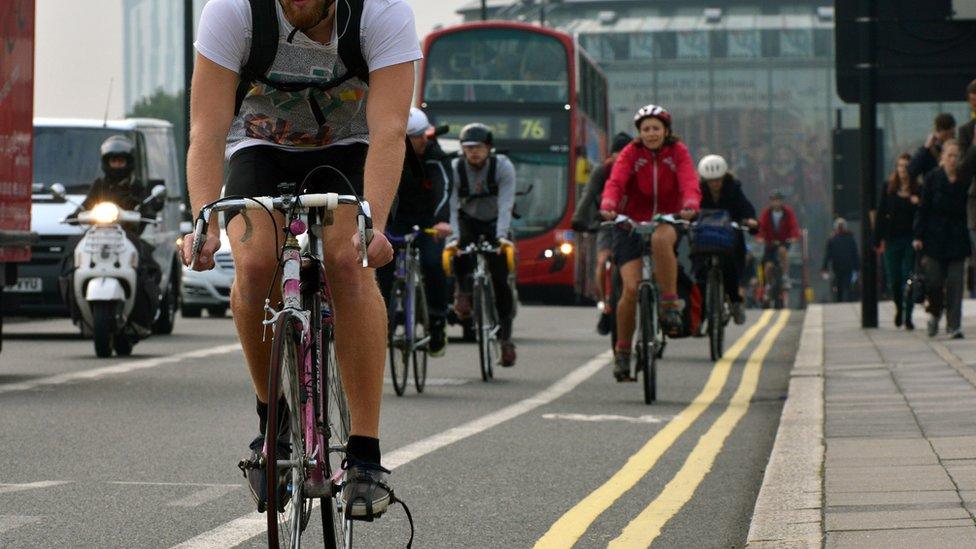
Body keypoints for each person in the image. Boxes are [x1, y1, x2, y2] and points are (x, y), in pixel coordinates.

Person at [181, 0, 421, 519]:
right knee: (252, 264)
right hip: (260, 146)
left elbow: (389, 131)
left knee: (348, 264)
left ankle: (364, 456)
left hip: (351, 147)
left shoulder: (382, 14)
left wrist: (372, 224)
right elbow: (207, 129)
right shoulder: (232, 13)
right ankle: (275, 426)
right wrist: (205, 221)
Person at [600, 104, 700, 381]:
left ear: (666, 131)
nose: (651, 134)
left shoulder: (678, 152)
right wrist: (608, 204)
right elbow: (615, 183)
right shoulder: (631, 154)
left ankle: (669, 304)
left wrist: (690, 204)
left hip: (667, 219)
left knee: (660, 239)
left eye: (656, 128)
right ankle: (622, 353)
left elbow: (689, 182)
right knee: (630, 289)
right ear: (639, 133)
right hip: (629, 222)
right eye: (646, 129)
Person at [62, 135, 162, 333]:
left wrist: (148, 211)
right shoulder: (100, 184)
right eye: (113, 161)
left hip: (127, 235)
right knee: (69, 259)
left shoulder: (136, 185)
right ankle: (79, 315)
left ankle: (142, 318)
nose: (116, 165)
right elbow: (86, 204)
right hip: (97, 234)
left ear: (128, 162)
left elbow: (147, 204)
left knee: (150, 266)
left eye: (120, 160)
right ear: (106, 162)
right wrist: (75, 215)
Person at [377, 108, 452, 356]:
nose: (421, 141)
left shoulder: (435, 155)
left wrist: (442, 221)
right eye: (415, 136)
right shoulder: (389, 153)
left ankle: (438, 320)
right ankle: (383, 321)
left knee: (433, 262)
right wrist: (379, 224)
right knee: (382, 264)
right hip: (396, 218)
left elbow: (444, 189)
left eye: (423, 135)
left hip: (429, 220)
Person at [447, 123, 518, 366]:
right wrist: (454, 238)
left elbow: (507, 203)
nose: (473, 152)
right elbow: (452, 205)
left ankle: (506, 339)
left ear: (489, 148)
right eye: (468, 148)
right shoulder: (456, 168)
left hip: (496, 222)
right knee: (458, 249)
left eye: (478, 147)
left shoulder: (503, 167)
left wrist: (501, 238)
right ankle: (463, 292)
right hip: (468, 220)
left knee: (500, 279)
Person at [571, 132, 632, 335]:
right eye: (617, 154)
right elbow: (588, 195)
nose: (620, 158)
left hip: (633, 224)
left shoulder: (639, 170)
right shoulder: (602, 172)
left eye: (625, 153)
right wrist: (579, 218)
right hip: (606, 222)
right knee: (603, 261)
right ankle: (605, 302)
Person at [914, 140, 970, 339]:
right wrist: (918, 235)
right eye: (949, 155)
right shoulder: (932, 178)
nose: (953, 160)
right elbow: (924, 208)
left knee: (955, 283)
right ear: (942, 157)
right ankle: (935, 314)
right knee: (935, 282)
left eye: (956, 156)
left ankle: (954, 324)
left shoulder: (964, 180)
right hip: (935, 237)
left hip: (957, 238)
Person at [693, 154, 758, 325]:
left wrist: (750, 220)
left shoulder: (734, 189)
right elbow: (689, 206)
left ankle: (735, 302)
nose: (714, 184)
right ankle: (699, 315)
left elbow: (746, 208)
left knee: (731, 270)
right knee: (699, 272)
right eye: (710, 181)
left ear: (724, 177)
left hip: (729, 240)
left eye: (718, 180)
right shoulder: (697, 191)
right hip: (704, 240)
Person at [875, 153, 919, 329]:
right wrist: (877, 238)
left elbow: (923, 214)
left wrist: (918, 202)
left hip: (910, 239)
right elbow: (880, 213)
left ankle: (908, 315)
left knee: (907, 277)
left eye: (906, 166)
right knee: (894, 278)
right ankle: (898, 308)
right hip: (892, 239)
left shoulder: (918, 189)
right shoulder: (888, 188)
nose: (902, 170)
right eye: (900, 166)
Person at [756, 191, 801, 291]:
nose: (776, 202)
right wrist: (760, 237)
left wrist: (794, 237)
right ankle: (768, 284)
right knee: (768, 266)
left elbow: (793, 225)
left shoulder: (788, 212)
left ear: (781, 201)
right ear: (771, 202)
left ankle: (785, 275)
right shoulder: (766, 213)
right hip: (770, 243)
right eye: (774, 200)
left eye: (778, 200)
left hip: (784, 241)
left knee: (782, 251)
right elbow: (761, 226)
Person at [821, 218, 860, 303]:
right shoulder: (851, 239)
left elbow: (828, 255)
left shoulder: (832, 240)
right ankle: (849, 300)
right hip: (849, 266)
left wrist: (825, 268)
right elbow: (855, 254)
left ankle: (839, 301)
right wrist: (857, 268)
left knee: (839, 284)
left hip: (837, 266)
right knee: (848, 285)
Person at [909, 113, 956, 180]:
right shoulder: (927, 151)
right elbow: (912, 170)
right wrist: (925, 148)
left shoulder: (957, 149)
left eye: (951, 133)